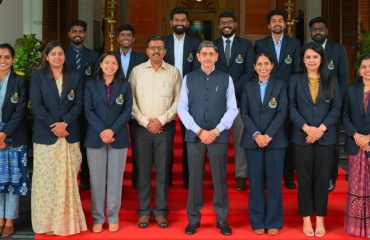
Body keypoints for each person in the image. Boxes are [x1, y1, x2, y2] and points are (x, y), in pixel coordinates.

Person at [178, 40, 238, 236]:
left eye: (211, 54)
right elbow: (182, 108)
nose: (207, 57)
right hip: (195, 136)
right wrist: (198, 130)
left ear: (217, 56)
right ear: (198, 57)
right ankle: (193, 218)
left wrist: (216, 130)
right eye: (203, 54)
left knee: (219, 179)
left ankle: (222, 219)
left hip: (218, 136)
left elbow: (232, 108)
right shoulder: (189, 78)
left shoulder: (226, 78)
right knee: (194, 179)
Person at [30, 40, 86, 236]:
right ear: (46, 56)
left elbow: (79, 104)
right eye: (53, 54)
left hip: (70, 135)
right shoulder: (37, 77)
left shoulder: (75, 76)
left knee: (67, 182)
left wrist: (65, 124)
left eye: (60, 53)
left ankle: (65, 224)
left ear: (65, 56)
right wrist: (55, 126)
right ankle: (46, 224)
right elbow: (36, 106)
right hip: (46, 136)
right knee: (46, 182)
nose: (57, 57)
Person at [289, 42, 341, 237]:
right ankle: (305, 219)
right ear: (303, 60)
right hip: (302, 138)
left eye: (315, 57)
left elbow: (336, 108)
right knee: (304, 179)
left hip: (325, 138)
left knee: (321, 179)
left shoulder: (332, 80)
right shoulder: (295, 80)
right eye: (308, 57)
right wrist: (306, 128)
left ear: (321, 59)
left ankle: (319, 218)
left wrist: (320, 129)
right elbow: (291, 107)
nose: (312, 60)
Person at [129, 35, 181, 228]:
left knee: (162, 172)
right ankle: (143, 212)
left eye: (160, 48)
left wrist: (161, 120)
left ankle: (160, 212)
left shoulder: (174, 72)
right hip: (141, 128)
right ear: (147, 51)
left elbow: (178, 101)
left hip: (164, 128)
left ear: (165, 51)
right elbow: (130, 99)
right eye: (152, 48)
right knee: (143, 172)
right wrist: (144, 121)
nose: (156, 51)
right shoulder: (137, 72)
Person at [240, 53, 288, 236]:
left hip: (275, 141)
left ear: (272, 66)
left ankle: (274, 221)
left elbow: (282, 112)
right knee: (256, 183)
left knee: (274, 182)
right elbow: (244, 113)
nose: (263, 67)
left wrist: (268, 135)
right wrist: (257, 135)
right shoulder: (247, 87)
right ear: (254, 67)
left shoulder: (281, 85)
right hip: (253, 141)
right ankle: (258, 220)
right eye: (259, 64)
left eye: (266, 63)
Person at [84, 52, 132, 233]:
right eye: (107, 62)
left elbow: (127, 111)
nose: (110, 65)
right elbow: (88, 110)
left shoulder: (125, 85)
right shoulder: (90, 85)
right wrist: (102, 131)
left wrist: (112, 130)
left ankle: (113, 216)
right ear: (101, 65)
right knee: (96, 180)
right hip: (95, 138)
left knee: (115, 180)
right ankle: (98, 218)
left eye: (114, 63)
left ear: (118, 66)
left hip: (117, 137)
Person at [255, 9, 301, 190]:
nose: (277, 23)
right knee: (267, 134)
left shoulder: (295, 43)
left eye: (280, 20)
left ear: (285, 24)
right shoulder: (260, 43)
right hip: (266, 97)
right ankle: (265, 177)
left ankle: (288, 176)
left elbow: (297, 70)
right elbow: (258, 69)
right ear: (268, 25)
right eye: (273, 20)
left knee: (287, 137)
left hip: (288, 97)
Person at [214, 10, 255, 191]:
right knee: (218, 140)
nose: (226, 25)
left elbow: (249, 71)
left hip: (239, 100)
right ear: (219, 26)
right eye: (222, 22)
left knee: (240, 140)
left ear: (235, 24)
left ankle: (240, 174)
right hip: (217, 102)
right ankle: (218, 176)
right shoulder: (212, 45)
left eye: (229, 22)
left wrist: (232, 89)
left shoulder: (246, 45)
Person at [309, 16, 349, 192]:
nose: (318, 31)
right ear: (311, 32)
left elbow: (343, 79)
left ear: (327, 31)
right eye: (315, 29)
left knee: (331, 146)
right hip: (311, 107)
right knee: (311, 146)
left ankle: (331, 178)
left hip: (332, 107)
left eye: (321, 28)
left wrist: (337, 105)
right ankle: (313, 178)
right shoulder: (307, 50)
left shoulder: (338, 50)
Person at [164, 7, 201, 188]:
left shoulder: (196, 44)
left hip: (190, 96)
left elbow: (197, 71)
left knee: (189, 138)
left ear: (187, 23)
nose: (179, 23)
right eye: (176, 20)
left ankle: (189, 179)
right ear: (171, 23)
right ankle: (167, 179)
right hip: (166, 97)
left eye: (182, 20)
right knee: (166, 140)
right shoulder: (162, 43)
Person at [65, 19, 99, 190]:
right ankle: (69, 179)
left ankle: (85, 178)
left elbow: (95, 83)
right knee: (68, 144)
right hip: (66, 107)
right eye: (74, 31)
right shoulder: (61, 54)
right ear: (69, 34)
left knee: (85, 143)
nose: (77, 34)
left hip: (86, 107)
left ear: (85, 33)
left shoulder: (93, 56)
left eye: (81, 31)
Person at [0, 43, 30, 237]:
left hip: (14, 136)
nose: (3, 61)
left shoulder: (20, 81)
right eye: (0, 57)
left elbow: (20, 111)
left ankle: (10, 219)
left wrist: (4, 134)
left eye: (7, 57)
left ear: (12, 60)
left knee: (13, 179)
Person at [115, 23, 147, 188]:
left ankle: (137, 179)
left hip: (136, 106)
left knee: (137, 145)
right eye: (122, 35)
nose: (125, 38)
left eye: (129, 35)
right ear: (118, 38)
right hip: (115, 108)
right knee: (117, 145)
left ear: (133, 39)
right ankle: (115, 181)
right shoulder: (110, 57)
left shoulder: (142, 58)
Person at [342, 53, 370, 238]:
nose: (367, 70)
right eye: (364, 67)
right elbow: (345, 116)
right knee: (356, 187)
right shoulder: (351, 89)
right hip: (355, 144)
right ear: (359, 70)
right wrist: (356, 135)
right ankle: (357, 227)